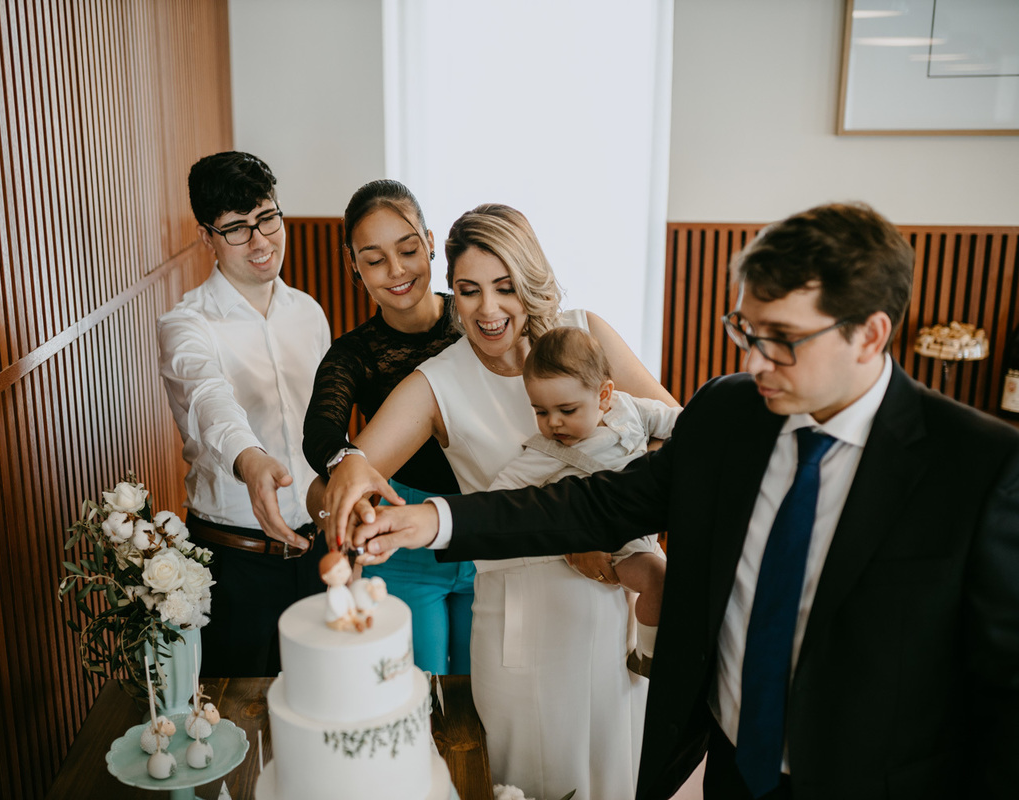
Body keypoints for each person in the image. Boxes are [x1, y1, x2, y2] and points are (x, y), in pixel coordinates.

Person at [352, 202, 1019, 800]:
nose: (754, 362)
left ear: (869, 335)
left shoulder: (980, 468)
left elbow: (1001, 695)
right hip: (726, 769)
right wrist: (433, 518)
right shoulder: (731, 413)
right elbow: (592, 505)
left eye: (780, 338)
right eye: (744, 330)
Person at [324, 203, 679, 800]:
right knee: (541, 782)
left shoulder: (585, 333)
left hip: (616, 608)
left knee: (620, 774)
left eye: (505, 287)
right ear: (452, 292)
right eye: (468, 290)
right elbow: (354, 469)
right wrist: (345, 486)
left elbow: (676, 439)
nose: (488, 310)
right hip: (524, 625)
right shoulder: (437, 381)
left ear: (530, 279)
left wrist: (618, 524)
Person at [157, 151, 329, 677]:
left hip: (319, 556)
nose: (260, 242)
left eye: (268, 218)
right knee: (238, 723)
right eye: (236, 229)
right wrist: (251, 461)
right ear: (206, 236)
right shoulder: (186, 324)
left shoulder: (309, 313)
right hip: (235, 565)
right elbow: (211, 401)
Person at [302, 179, 473, 675]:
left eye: (408, 250)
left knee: (484, 696)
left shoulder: (476, 324)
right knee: (415, 693)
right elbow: (322, 428)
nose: (397, 272)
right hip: (402, 544)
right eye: (375, 259)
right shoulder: (352, 353)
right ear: (354, 266)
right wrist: (346, 461)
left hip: (487, 534)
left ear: (431, 242)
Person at [489, 326, 678, 677]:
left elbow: (678, 422)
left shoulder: (631, 409)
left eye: (566, 409)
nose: (554, 423)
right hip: (613, 548)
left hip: (648, 530)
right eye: (541, 412)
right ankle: (650, 657)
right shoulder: (547, 451)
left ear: (604, 395)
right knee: (659, 578)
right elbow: (501, 494)